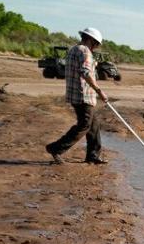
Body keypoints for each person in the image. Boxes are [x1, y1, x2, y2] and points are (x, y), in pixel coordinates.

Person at [45, 27, 109, 165]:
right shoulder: (85, 51)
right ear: (91, 40)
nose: (96, 47)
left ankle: (93, 155)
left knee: (94, 124)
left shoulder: (73, 49)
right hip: (83, 96)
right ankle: (55, 148)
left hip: (76, 95)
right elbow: (85, 72)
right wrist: (99, 91)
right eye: (96, 44)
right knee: (84, 125)